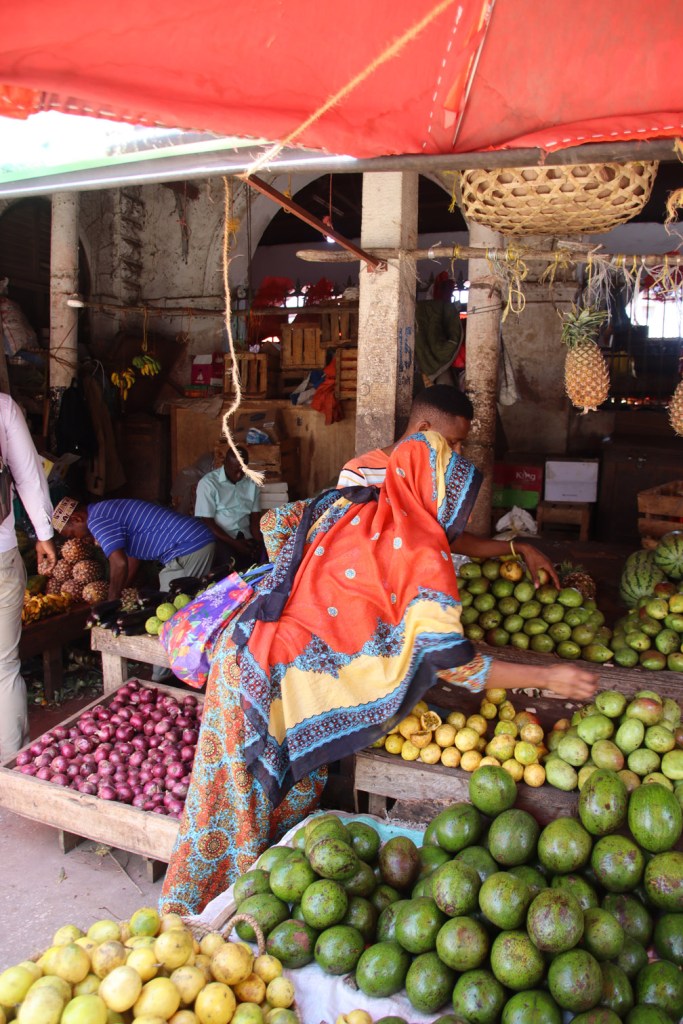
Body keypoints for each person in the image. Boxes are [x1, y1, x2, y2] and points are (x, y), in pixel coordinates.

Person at [160, 431, 597, 916]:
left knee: (275, 800)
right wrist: (550, 678)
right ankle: (211, 920)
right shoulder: (417, 552)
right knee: (239, 810)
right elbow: (459, 667)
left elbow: (274, 523)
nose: (455, 515)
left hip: (252, 652)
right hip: (269, 683)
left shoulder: (362, 503)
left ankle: (252, 909)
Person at [337, 384, 558, 587]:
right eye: (452, 442)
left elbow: (450, 539)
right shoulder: (360, 473)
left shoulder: (440, 478)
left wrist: (519, 547)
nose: (458, 452)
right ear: (424, 430)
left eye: (461, 443)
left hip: (419, 596)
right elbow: (349, 550)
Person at [0, 394, 57, 759]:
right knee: (3, 668)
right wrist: (44, 534)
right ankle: (9, 765)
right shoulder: (3, 406)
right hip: (1, 554)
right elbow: (29, 475)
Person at [50, 497, 215, 599]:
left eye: (72, 534)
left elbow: (119, 563)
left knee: (173, 605)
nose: (76, 539)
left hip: (189, 545)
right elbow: (131, 560)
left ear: (77, 519)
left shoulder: (97, 521)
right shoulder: (102, 511)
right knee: (170, 600)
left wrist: (111, 601)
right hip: (190, 543)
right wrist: (122, 589)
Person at [194, 446, 263, 572]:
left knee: (259, 563)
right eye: (235, 470)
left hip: (245, 536)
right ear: (225, 463)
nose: (239, 475)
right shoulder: (208, 484)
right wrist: (235, 544)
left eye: (243, 470)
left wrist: (260, 543)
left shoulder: (252, 483)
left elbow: (254, 519)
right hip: (220, 537)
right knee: (231, 564)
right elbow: (207, 521)